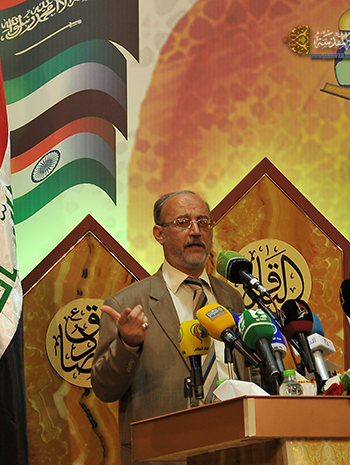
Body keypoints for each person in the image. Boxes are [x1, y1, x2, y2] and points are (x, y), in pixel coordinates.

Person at [91, 190, 247, 465]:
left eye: (203, 222)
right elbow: (104, 389)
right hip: (164, 455)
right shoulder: (127, 303)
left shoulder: (231, 297)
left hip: (237, 451)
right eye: (182, 222)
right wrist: (128, 345)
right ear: (159, 234)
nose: (196, 231)